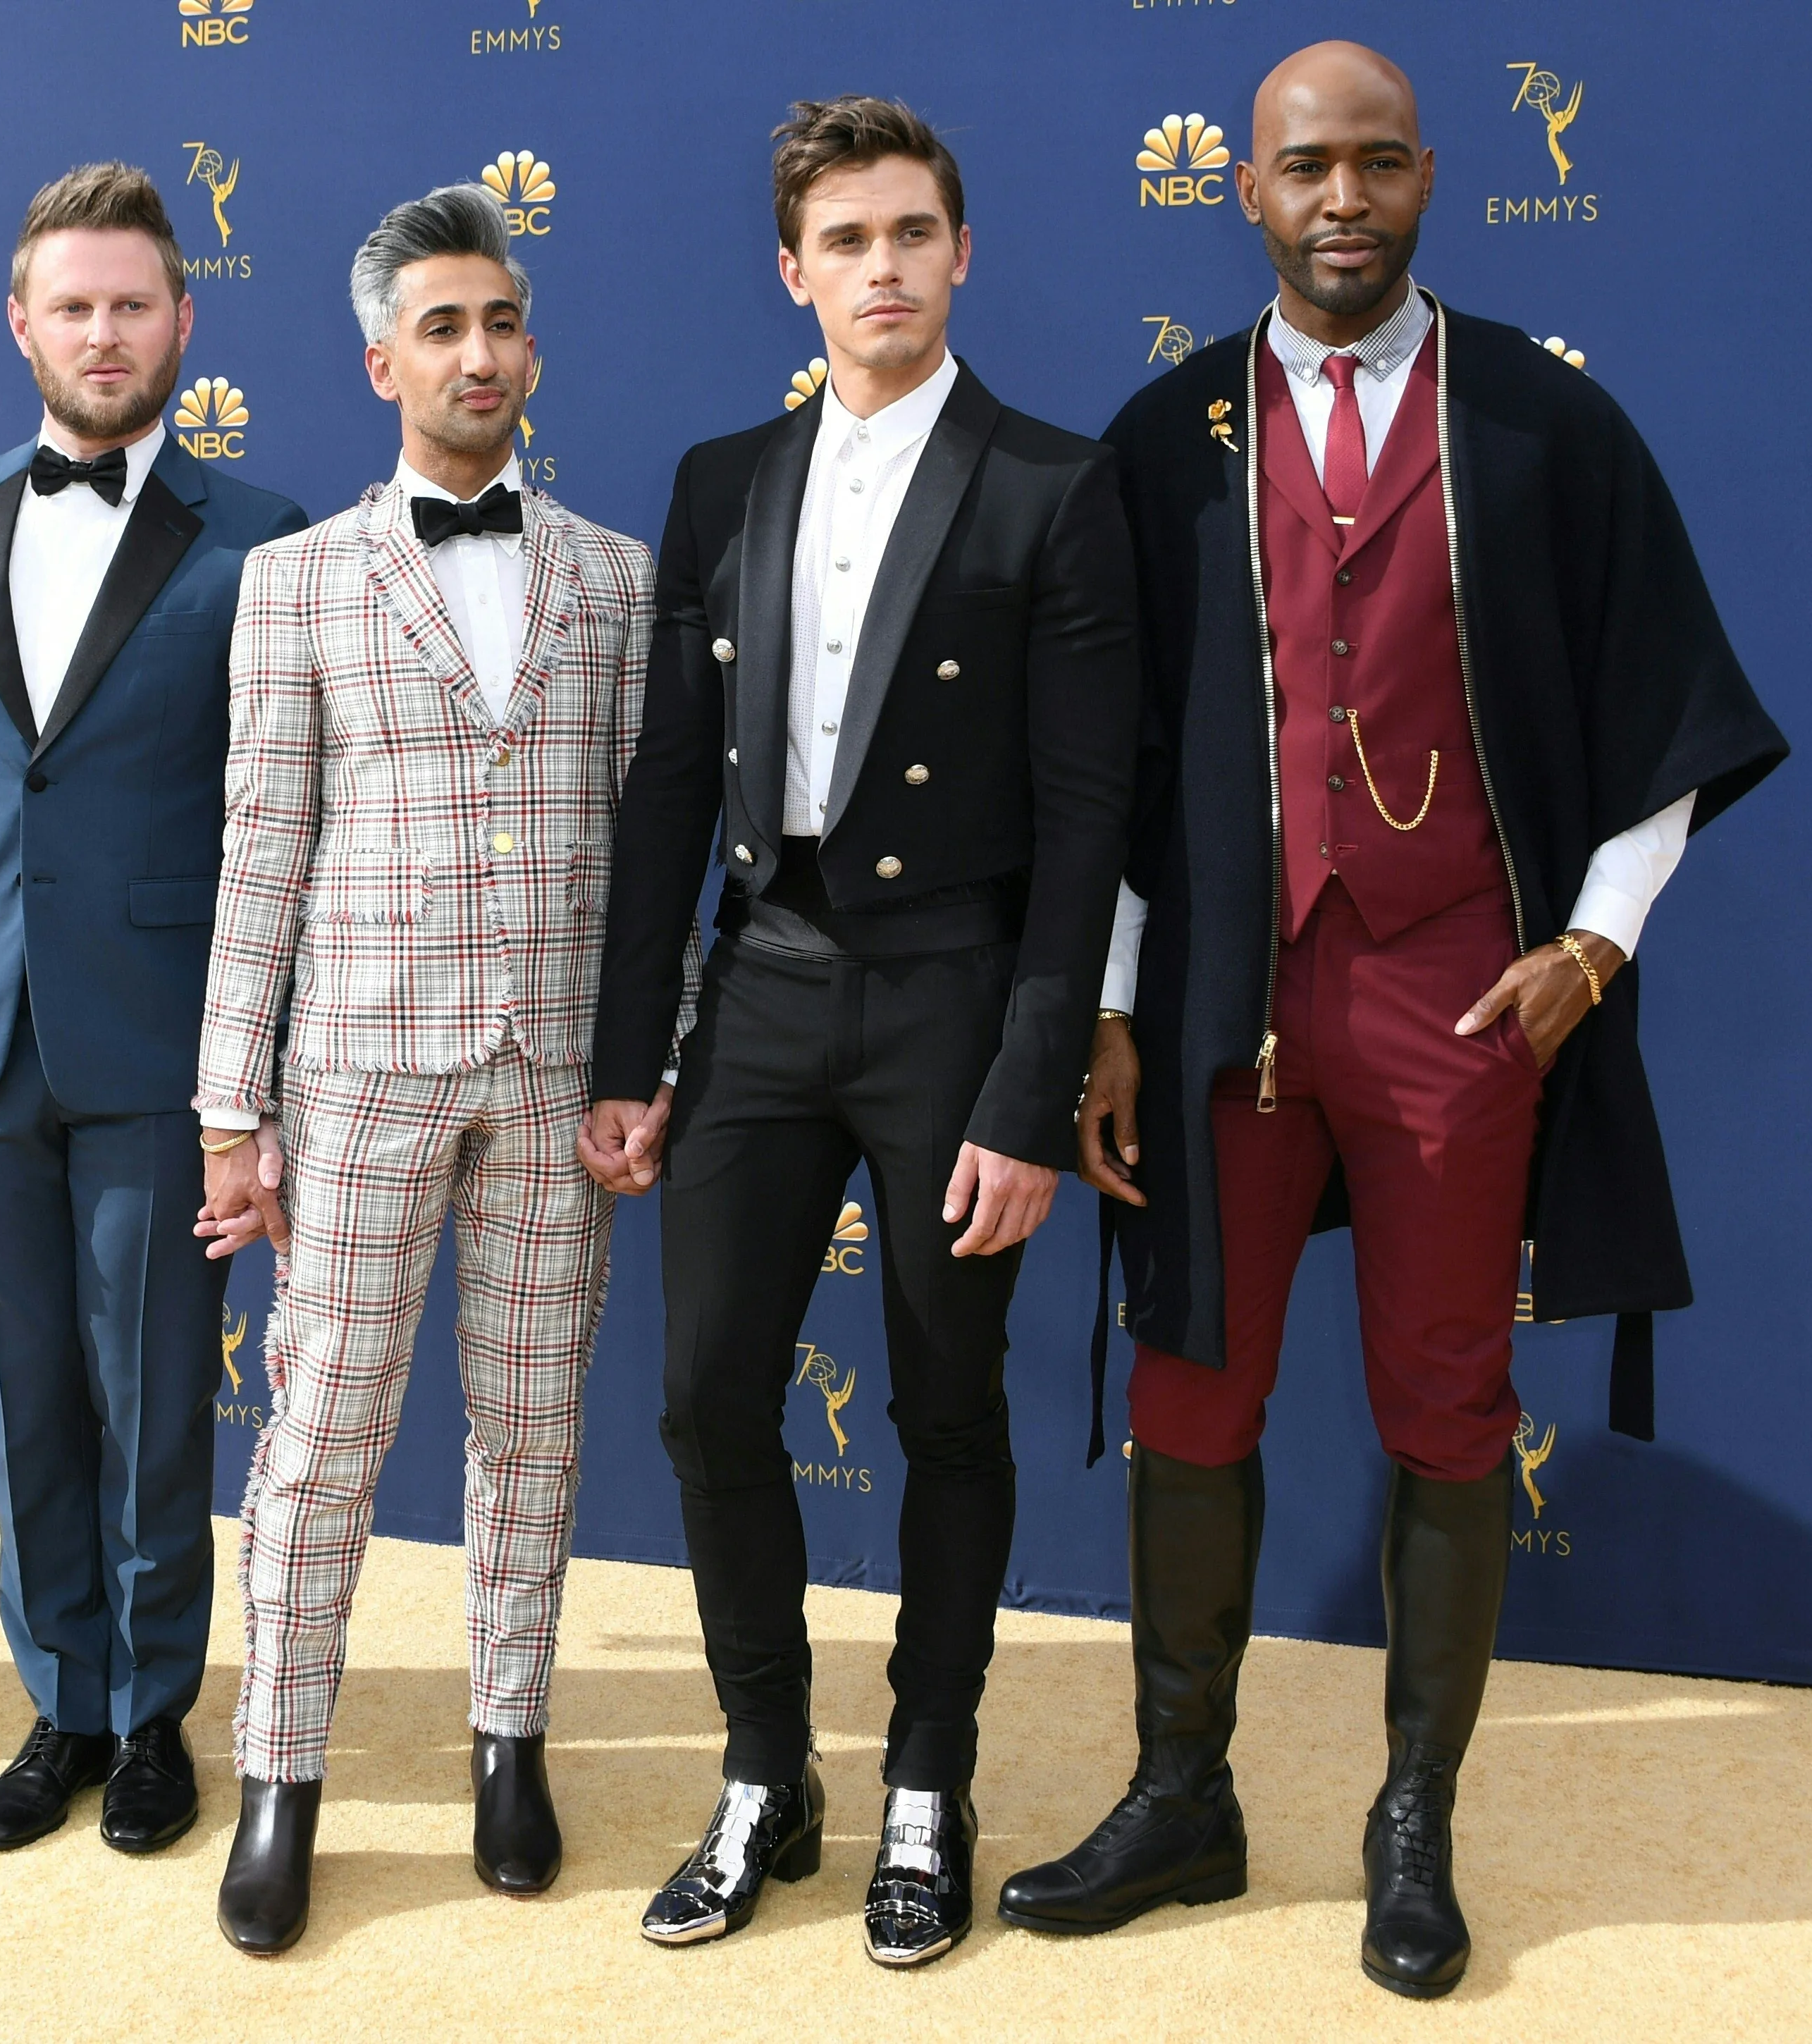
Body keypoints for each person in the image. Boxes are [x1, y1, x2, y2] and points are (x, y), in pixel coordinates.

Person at [995, 43, 1787, 2000]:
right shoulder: (1165, 435)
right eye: (1302, 168)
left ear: (1428, 176)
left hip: (1458, 999)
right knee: (1191, 1388)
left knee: (1447, 1398)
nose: (1338, 199)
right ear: (1246, 193)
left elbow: (1672, 703)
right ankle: (1182, 1792)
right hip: (1220, 1006)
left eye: (1372, 164)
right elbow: (1106, 768)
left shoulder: (1538, 422)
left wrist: (1594, 943)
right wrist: (1110, 1008)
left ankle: (1413, 1814)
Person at [584, 97, 1140, 1968]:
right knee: (704, 1394)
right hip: (757, 986)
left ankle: (925, 1778)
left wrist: (1032, 1091)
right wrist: (627, 1056)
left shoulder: (1053, 483)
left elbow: (1089, 823)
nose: (880, 267)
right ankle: (764, 1770)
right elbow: (668, 785)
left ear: (961, 253)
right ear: (791, 271)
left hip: (955, 998)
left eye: (911, 233)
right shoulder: (721, 479)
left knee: (945, 1403)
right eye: (845, 239)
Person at [0, 164, 305, 1857]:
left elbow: (292, 816)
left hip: (166, 1048)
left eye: (132, 305)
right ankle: (63, 1702)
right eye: (72, 306)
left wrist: (263, 1082)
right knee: (22, 1394)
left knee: (158, 1398)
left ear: (184, 321)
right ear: (17, 324)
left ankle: (155, 1711)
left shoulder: (265, 541)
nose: (104, 333)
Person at [192, 185, 655, 1956]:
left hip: (557, 1081)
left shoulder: (618, 579)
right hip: (359, 1078)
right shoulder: (295, 580)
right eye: (442, 327)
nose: (479, 355)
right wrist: (231, 1108)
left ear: (532, 351)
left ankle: (509, 1742)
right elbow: (261, 852)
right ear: (382, 361)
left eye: (502, 323)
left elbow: (651, 858)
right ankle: (279, 1775)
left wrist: (646, 1063)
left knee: (532, 1434)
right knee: (320, 1438)